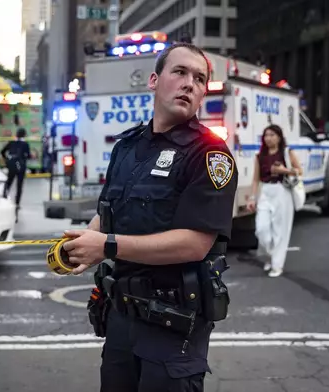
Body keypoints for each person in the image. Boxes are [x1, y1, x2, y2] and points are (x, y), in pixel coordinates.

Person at [61, 42, 238, 392]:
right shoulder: (126, 148)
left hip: (173, 327)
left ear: (203, 93)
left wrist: (106, 246)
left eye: (199, 79)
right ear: (154, 81)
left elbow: (194, 244)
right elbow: (108, 212)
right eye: (180, 72)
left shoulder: (210, 154)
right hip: (121, 319)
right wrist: (81, 245)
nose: (190, 83)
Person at [247, 125, 303, 278]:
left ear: (279, 137)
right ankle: (272, 255)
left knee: (280, 231)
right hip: (265, 191)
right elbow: (255, 179)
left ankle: (277, 265)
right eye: (266, 135)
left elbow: (299, 171)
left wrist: (283, 170)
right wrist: (252, 198)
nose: (268, 138)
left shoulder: (286, 152)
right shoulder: (260, 156)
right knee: (262, 229)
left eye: (272, 135)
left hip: (282, 191)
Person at [1, 128, 31, 209]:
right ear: (24, 135)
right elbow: (28, 155)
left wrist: (6, 159)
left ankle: (4, 197)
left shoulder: (11, 142)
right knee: (19, 185)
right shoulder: (25, 144)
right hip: (20, 166)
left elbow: (2, 151)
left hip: (12, 165)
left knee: (9, 182)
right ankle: (17, 203)